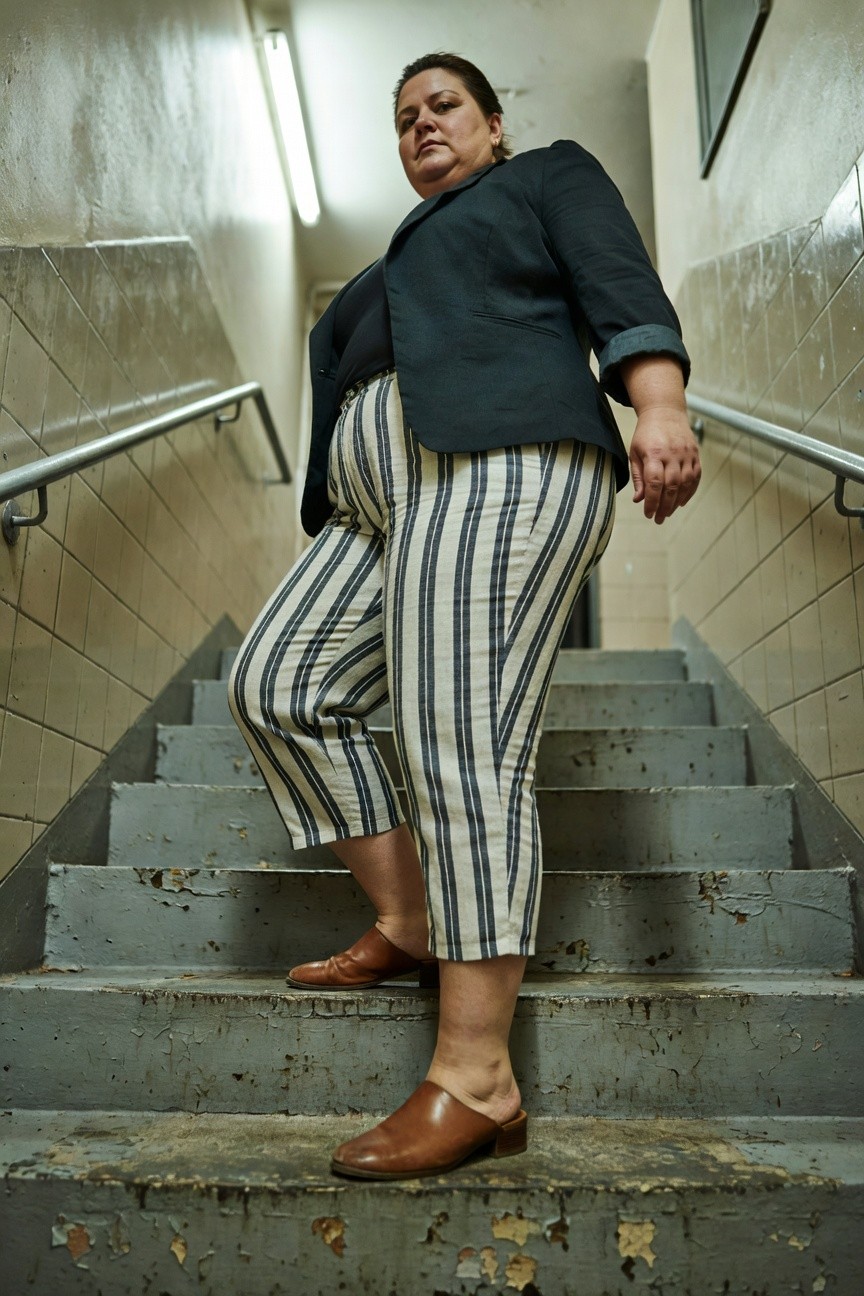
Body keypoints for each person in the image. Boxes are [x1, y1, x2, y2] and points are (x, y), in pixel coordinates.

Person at [229, 51, 700, 1180]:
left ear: (493, 127)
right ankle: (413, 918)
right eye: (403, 119)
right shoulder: (386, 260)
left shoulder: (545, 179)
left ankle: (479, 1078)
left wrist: (660, 400)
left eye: (444, 107)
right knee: (279, 686)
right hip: (373, 505)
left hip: (500, 458)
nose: (423, 124)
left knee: (462, 740)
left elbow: (614, 277)